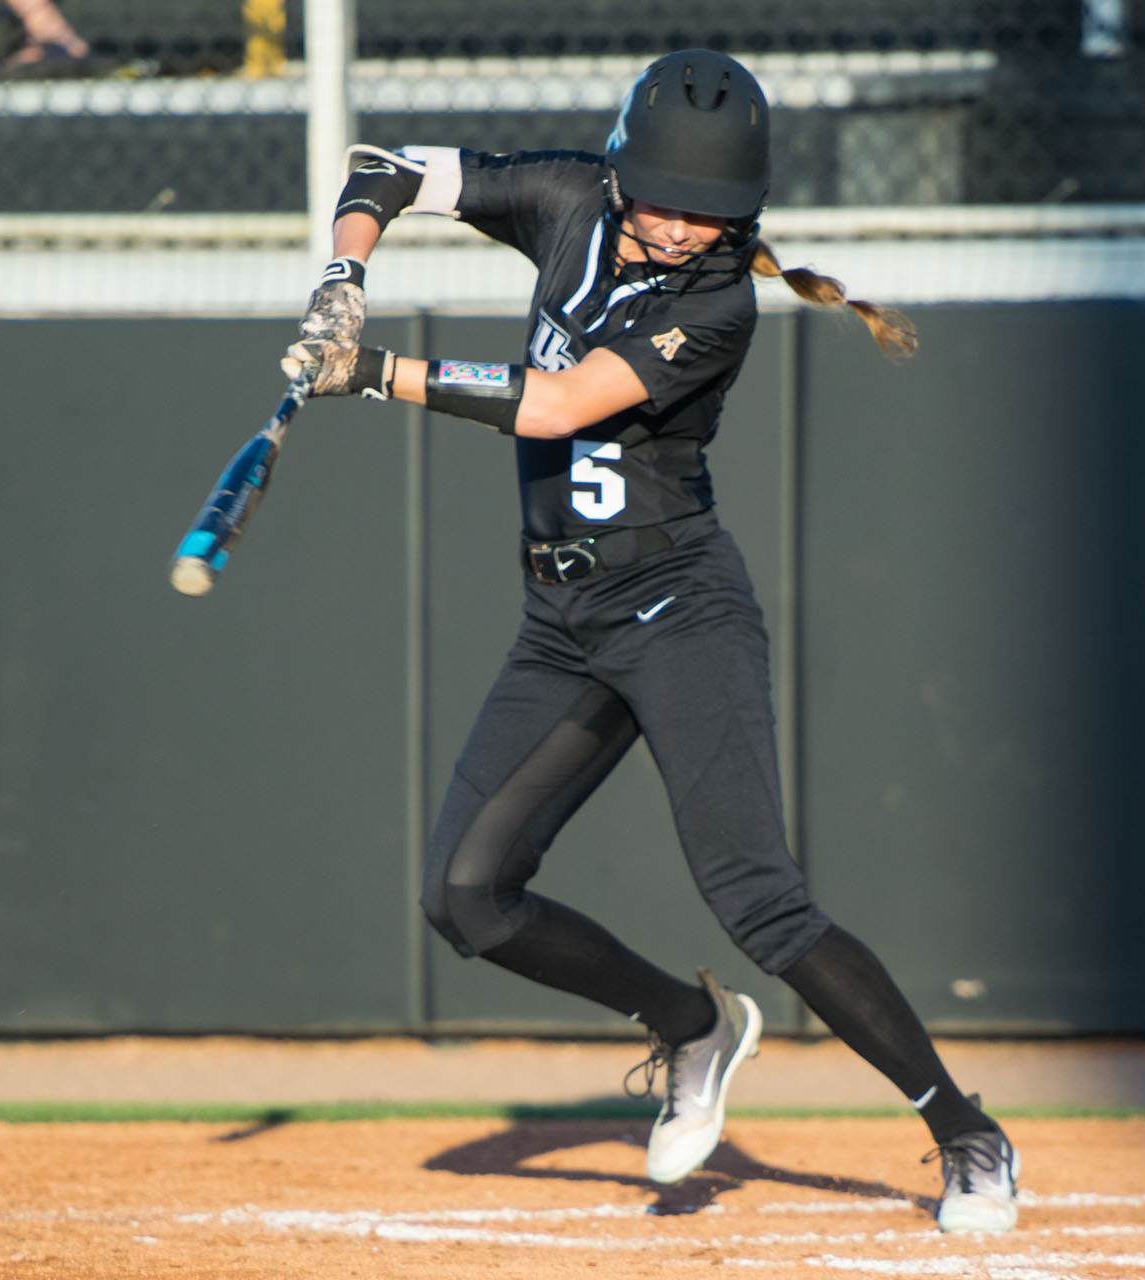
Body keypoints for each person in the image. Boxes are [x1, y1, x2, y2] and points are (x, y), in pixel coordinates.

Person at [279, 49, 1022, 1235]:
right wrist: (343, 277)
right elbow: (385, 168)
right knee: (467, 895)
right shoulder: (568, 196)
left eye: (711, 211)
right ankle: (692, 1027)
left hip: (677, 609)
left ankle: (967, 1129)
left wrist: (371, 371)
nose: (683, 227)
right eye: (665, 200)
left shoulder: (718, 303)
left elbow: (558, 403)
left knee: (760, 902)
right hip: (561, 620)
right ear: (623, 173)